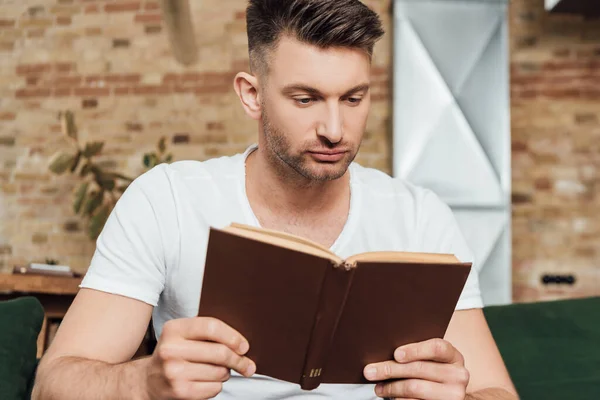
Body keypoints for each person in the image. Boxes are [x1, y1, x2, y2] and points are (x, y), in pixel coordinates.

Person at [32, 0, 519, 399]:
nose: (334, 130)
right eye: (305, 99)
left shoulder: (419, 216)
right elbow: (52, 385)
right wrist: (140, 382)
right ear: (252, 94)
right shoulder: (168, 199)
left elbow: (498, 392)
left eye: (353, 99)